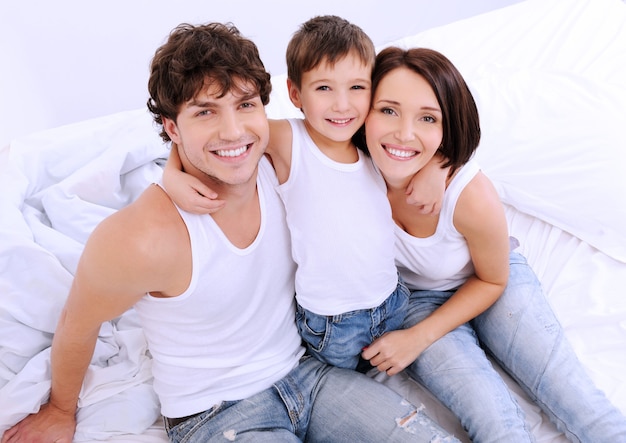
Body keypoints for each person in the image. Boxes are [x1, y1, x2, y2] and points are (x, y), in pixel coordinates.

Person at [0, 24, 462, 443]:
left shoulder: (284, 167)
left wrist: (439, 169)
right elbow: (77, 324)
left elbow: (394, 138)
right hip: (218, 412)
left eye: (245, 105)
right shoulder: (138, 238)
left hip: (307, 374)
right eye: (205, 113)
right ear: (171, 128)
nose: (233, 130)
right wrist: (60, 410)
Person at [358, 46, 626, 443]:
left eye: (427, 118)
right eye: (388, 110)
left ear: (447, 129)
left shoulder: (470, 194)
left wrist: (419, 337)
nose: (404, 133)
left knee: (580, 405)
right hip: (415, 298)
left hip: (492, 281)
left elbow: (493, 280)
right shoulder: (346, 171)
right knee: (497, 424)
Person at [163, 15, 447, 371]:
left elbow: (432, 139)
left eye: (357, 88)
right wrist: (171, 174)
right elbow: (224, 135)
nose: (342, 105)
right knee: (355, 391)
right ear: (296, 94)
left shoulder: (373, 142)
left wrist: (438, 167)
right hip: (333, 322)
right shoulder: (290, 140)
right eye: (324, 89)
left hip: (392, 298)